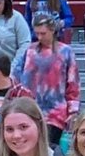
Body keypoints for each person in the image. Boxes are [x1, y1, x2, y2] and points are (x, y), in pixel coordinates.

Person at [14, 12, 80, 146]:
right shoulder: (29, 50)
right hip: (29, 110)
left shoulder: (66, 52)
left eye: (43, 33)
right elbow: (16, 77)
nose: (39, 37)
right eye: (37, 33)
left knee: (49, 149)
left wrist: (73, 111)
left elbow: (73, 83)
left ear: (52, 30)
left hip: (55, 113)